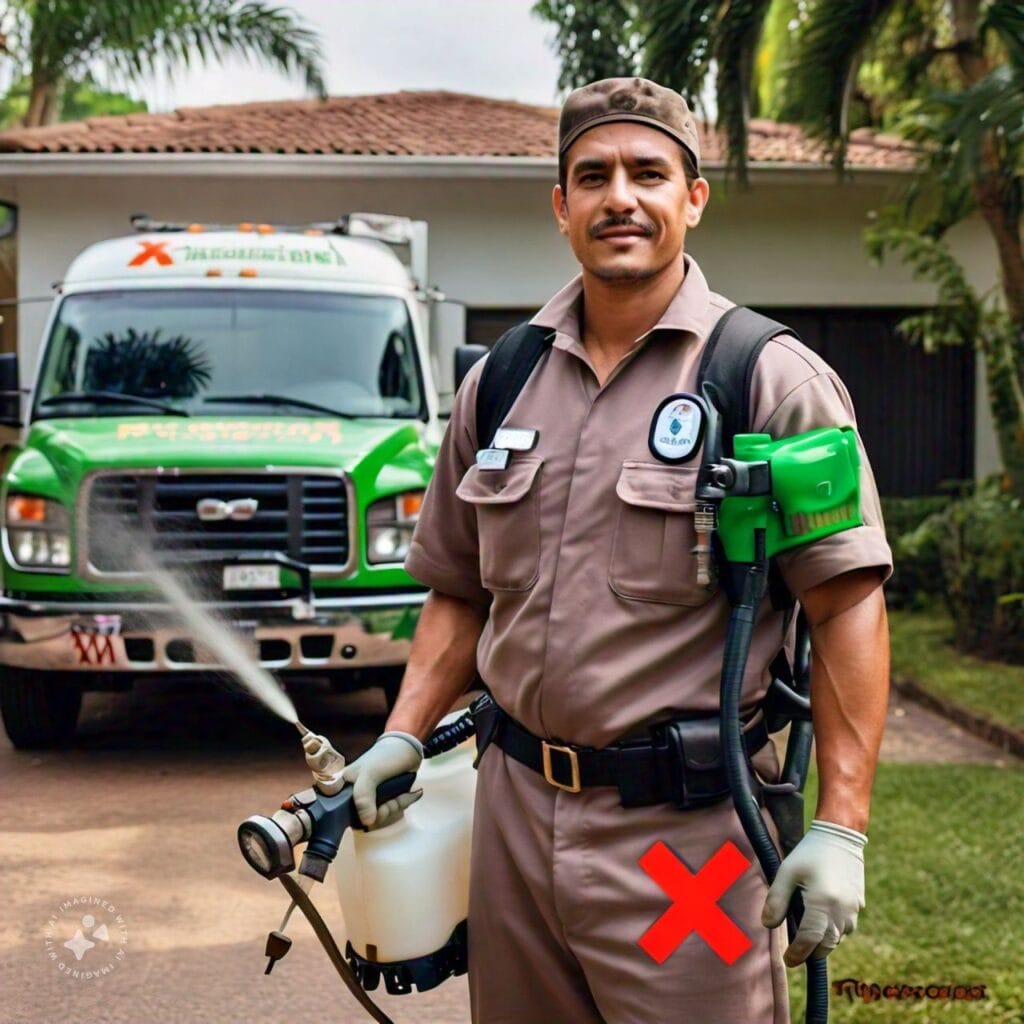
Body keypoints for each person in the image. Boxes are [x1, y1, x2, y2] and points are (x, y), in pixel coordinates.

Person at [341, 77, 892, 1024]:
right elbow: (460, 591)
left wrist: (841, 825)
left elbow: (847, 605)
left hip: (691, 844)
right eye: (591, 176)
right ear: (561, 207)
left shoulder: (770, 381)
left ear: (693, 198)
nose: (620, 198)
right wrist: (402, 732)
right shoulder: (500, 380)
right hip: (510, 826)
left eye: (649, 172)